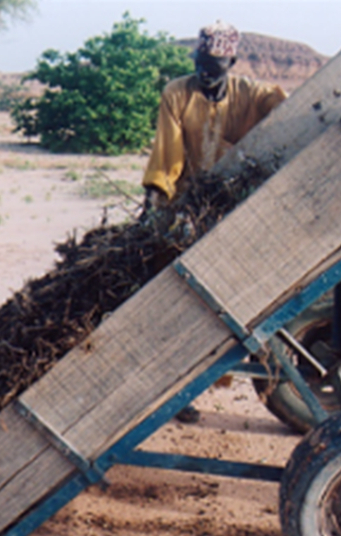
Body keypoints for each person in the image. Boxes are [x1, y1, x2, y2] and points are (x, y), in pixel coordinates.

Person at [141, 21, 287, 423]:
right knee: (176, 301)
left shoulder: (251, 95)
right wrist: (156, 202)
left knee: (222, 302)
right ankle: (177, 393)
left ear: (231, 62)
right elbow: (166, 156)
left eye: (216, 64)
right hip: (187, 205)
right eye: (202, 62)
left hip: (231, 208)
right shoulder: (177, 93)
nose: (207, 71)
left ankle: (207, 379)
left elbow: (286, 112)